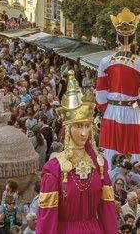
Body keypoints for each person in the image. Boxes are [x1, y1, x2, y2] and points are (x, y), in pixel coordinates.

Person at [36, 71, 117, 234]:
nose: (84, 133)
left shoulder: (99, 165)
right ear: (67, 128)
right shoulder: (54, 170)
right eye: (78, 126)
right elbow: (47, 220)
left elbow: (107, 211)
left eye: (87, 126)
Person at [94, 9, 140, 167]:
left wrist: (104, 107)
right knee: (135, 155)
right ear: (134, 38)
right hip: (132, 113)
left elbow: (100, 94)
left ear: (117, 38)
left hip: (111, 112)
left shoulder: (105, 62)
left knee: (108, 155)